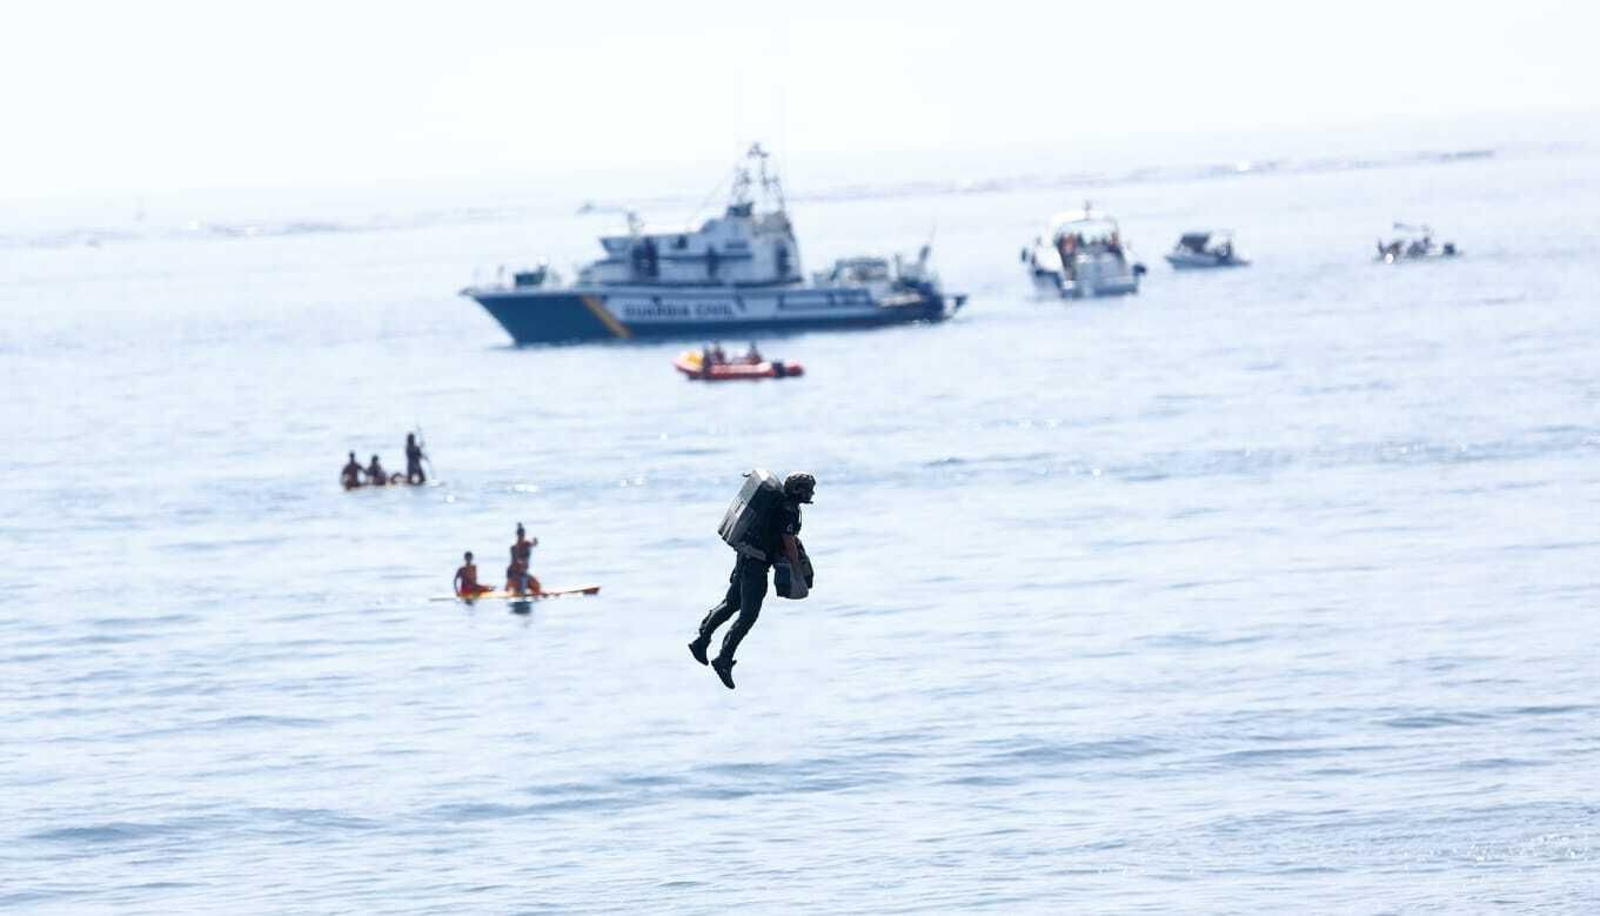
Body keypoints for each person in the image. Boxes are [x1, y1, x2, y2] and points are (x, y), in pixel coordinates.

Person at [689, 472, 815, 689]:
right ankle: (724, 659)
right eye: (808, 489)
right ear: (798, 491)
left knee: (731, 604)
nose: (811, 493)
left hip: (746, 555)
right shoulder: (789, 511)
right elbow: (788, 540)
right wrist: (796, 567)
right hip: (756, 564)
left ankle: (701, 641)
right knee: (748, 615)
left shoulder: (780, 504)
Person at [507, 524, 541, 595]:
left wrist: (535, 541)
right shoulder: (514, 548)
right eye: (520, 535)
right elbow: (514, 562)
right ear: (517, 535)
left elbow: (534, 544)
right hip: (515, 574)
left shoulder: (527, 544)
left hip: (524, 573)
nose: (521, 536)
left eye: (523, 534)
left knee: (537, 586)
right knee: (520, 594)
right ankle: (510, 585)